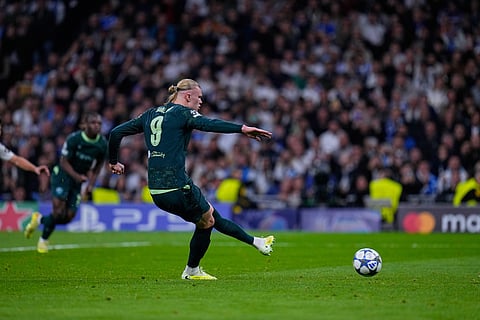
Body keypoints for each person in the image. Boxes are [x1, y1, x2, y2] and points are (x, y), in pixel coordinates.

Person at [108, 78, 275, 280]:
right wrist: (242, 128)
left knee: (209, 217)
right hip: (177, 185)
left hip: (156, 190)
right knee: (208, 221)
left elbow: (116, 132)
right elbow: (209, 123)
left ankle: (257, 242)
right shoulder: (183, 113)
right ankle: (192, 270)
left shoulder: (150, 114)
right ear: (188, 96)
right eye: (199, 97)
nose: (201, 102)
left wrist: (113, 162)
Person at [23, 112, 108, 253]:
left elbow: (98, 167)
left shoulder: (102, 144)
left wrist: (91, 185)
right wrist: (76, 176)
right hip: (62, 176)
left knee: (68, 216)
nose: (97, 126)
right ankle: (43, 241)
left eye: (99, 123)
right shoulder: (74, 139)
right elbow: (63, 161)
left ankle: (39, 220)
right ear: (86, 124)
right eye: (94, 123)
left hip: (78, 180)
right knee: (59, 210)